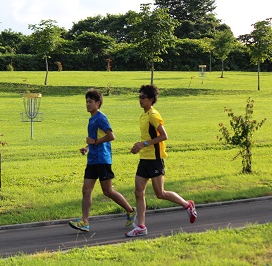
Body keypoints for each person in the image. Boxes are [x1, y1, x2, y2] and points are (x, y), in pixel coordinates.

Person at [125, 84, 197, 237]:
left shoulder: (153, 115)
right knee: (139, 192)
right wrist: (138, 147)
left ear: (151, 99)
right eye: (139, 97)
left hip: (155, 160)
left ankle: (187, 205)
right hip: (144, 158)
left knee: (160, 193)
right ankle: (141, 226)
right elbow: (147, 137)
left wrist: (144, 144)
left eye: (143, 97)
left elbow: (164, 136)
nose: (140, 100)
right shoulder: (143, 115)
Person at [69, 89, 137, 232]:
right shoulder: (91, 119)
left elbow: (111, 136)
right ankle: (85, 222)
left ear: (98, 103)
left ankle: (130, 210)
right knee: (86, 190)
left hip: (103, 159)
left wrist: (94, 141)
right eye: (86, 102)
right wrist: (87, 147)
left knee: (108, 191)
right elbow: (95, 139)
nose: (87, 104)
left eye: (90, 102)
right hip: (92, 159)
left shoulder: (100, 118)